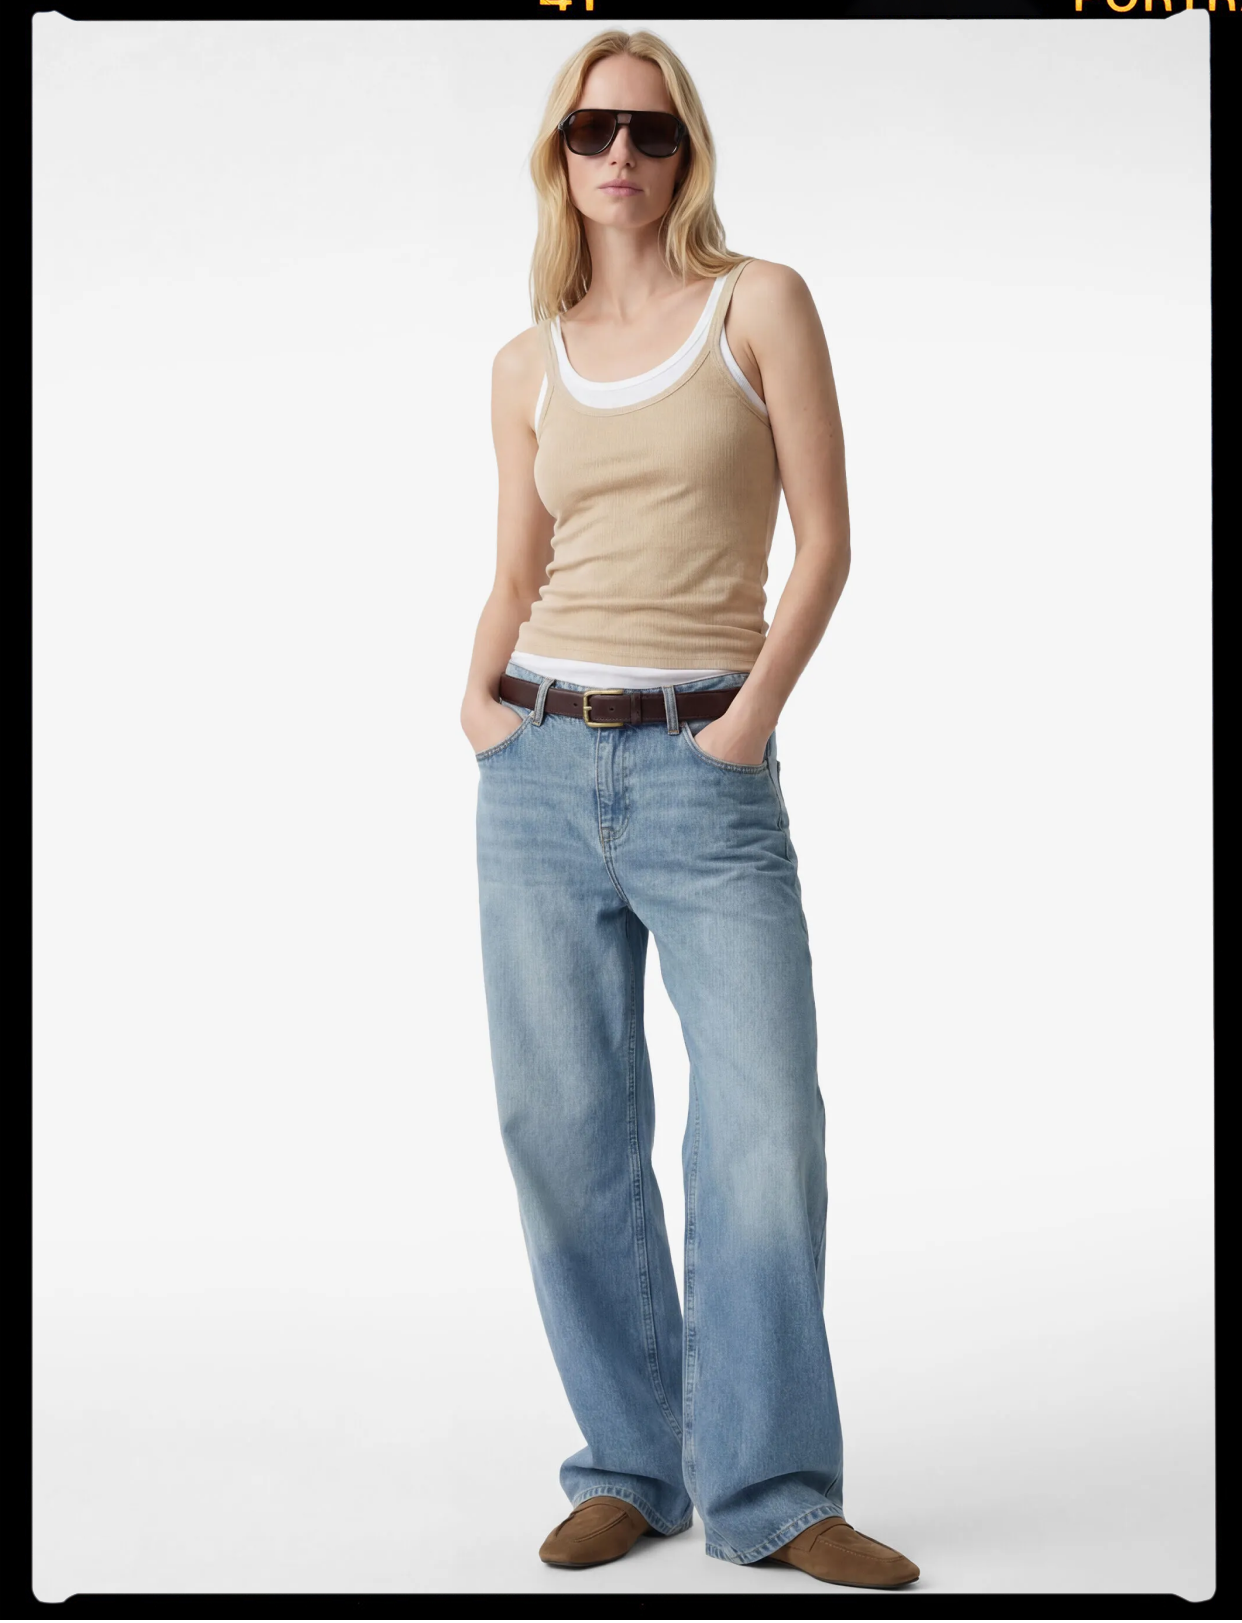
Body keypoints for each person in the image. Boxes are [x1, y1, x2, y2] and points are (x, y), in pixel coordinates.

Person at [459, 28, 919, 1589]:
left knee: (763, 1128)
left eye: (649, 133)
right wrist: (475, 707)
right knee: (563, 1131)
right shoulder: (525, 360)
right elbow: (517, 567)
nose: (620, 155)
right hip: (534, 770)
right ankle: (630, 1464)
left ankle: (774, 1491)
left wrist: (746, 724)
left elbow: (826, 541)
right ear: (558, 153)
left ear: (685, 153)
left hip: (702, 774)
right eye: (592, 129)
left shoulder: (757, 303)